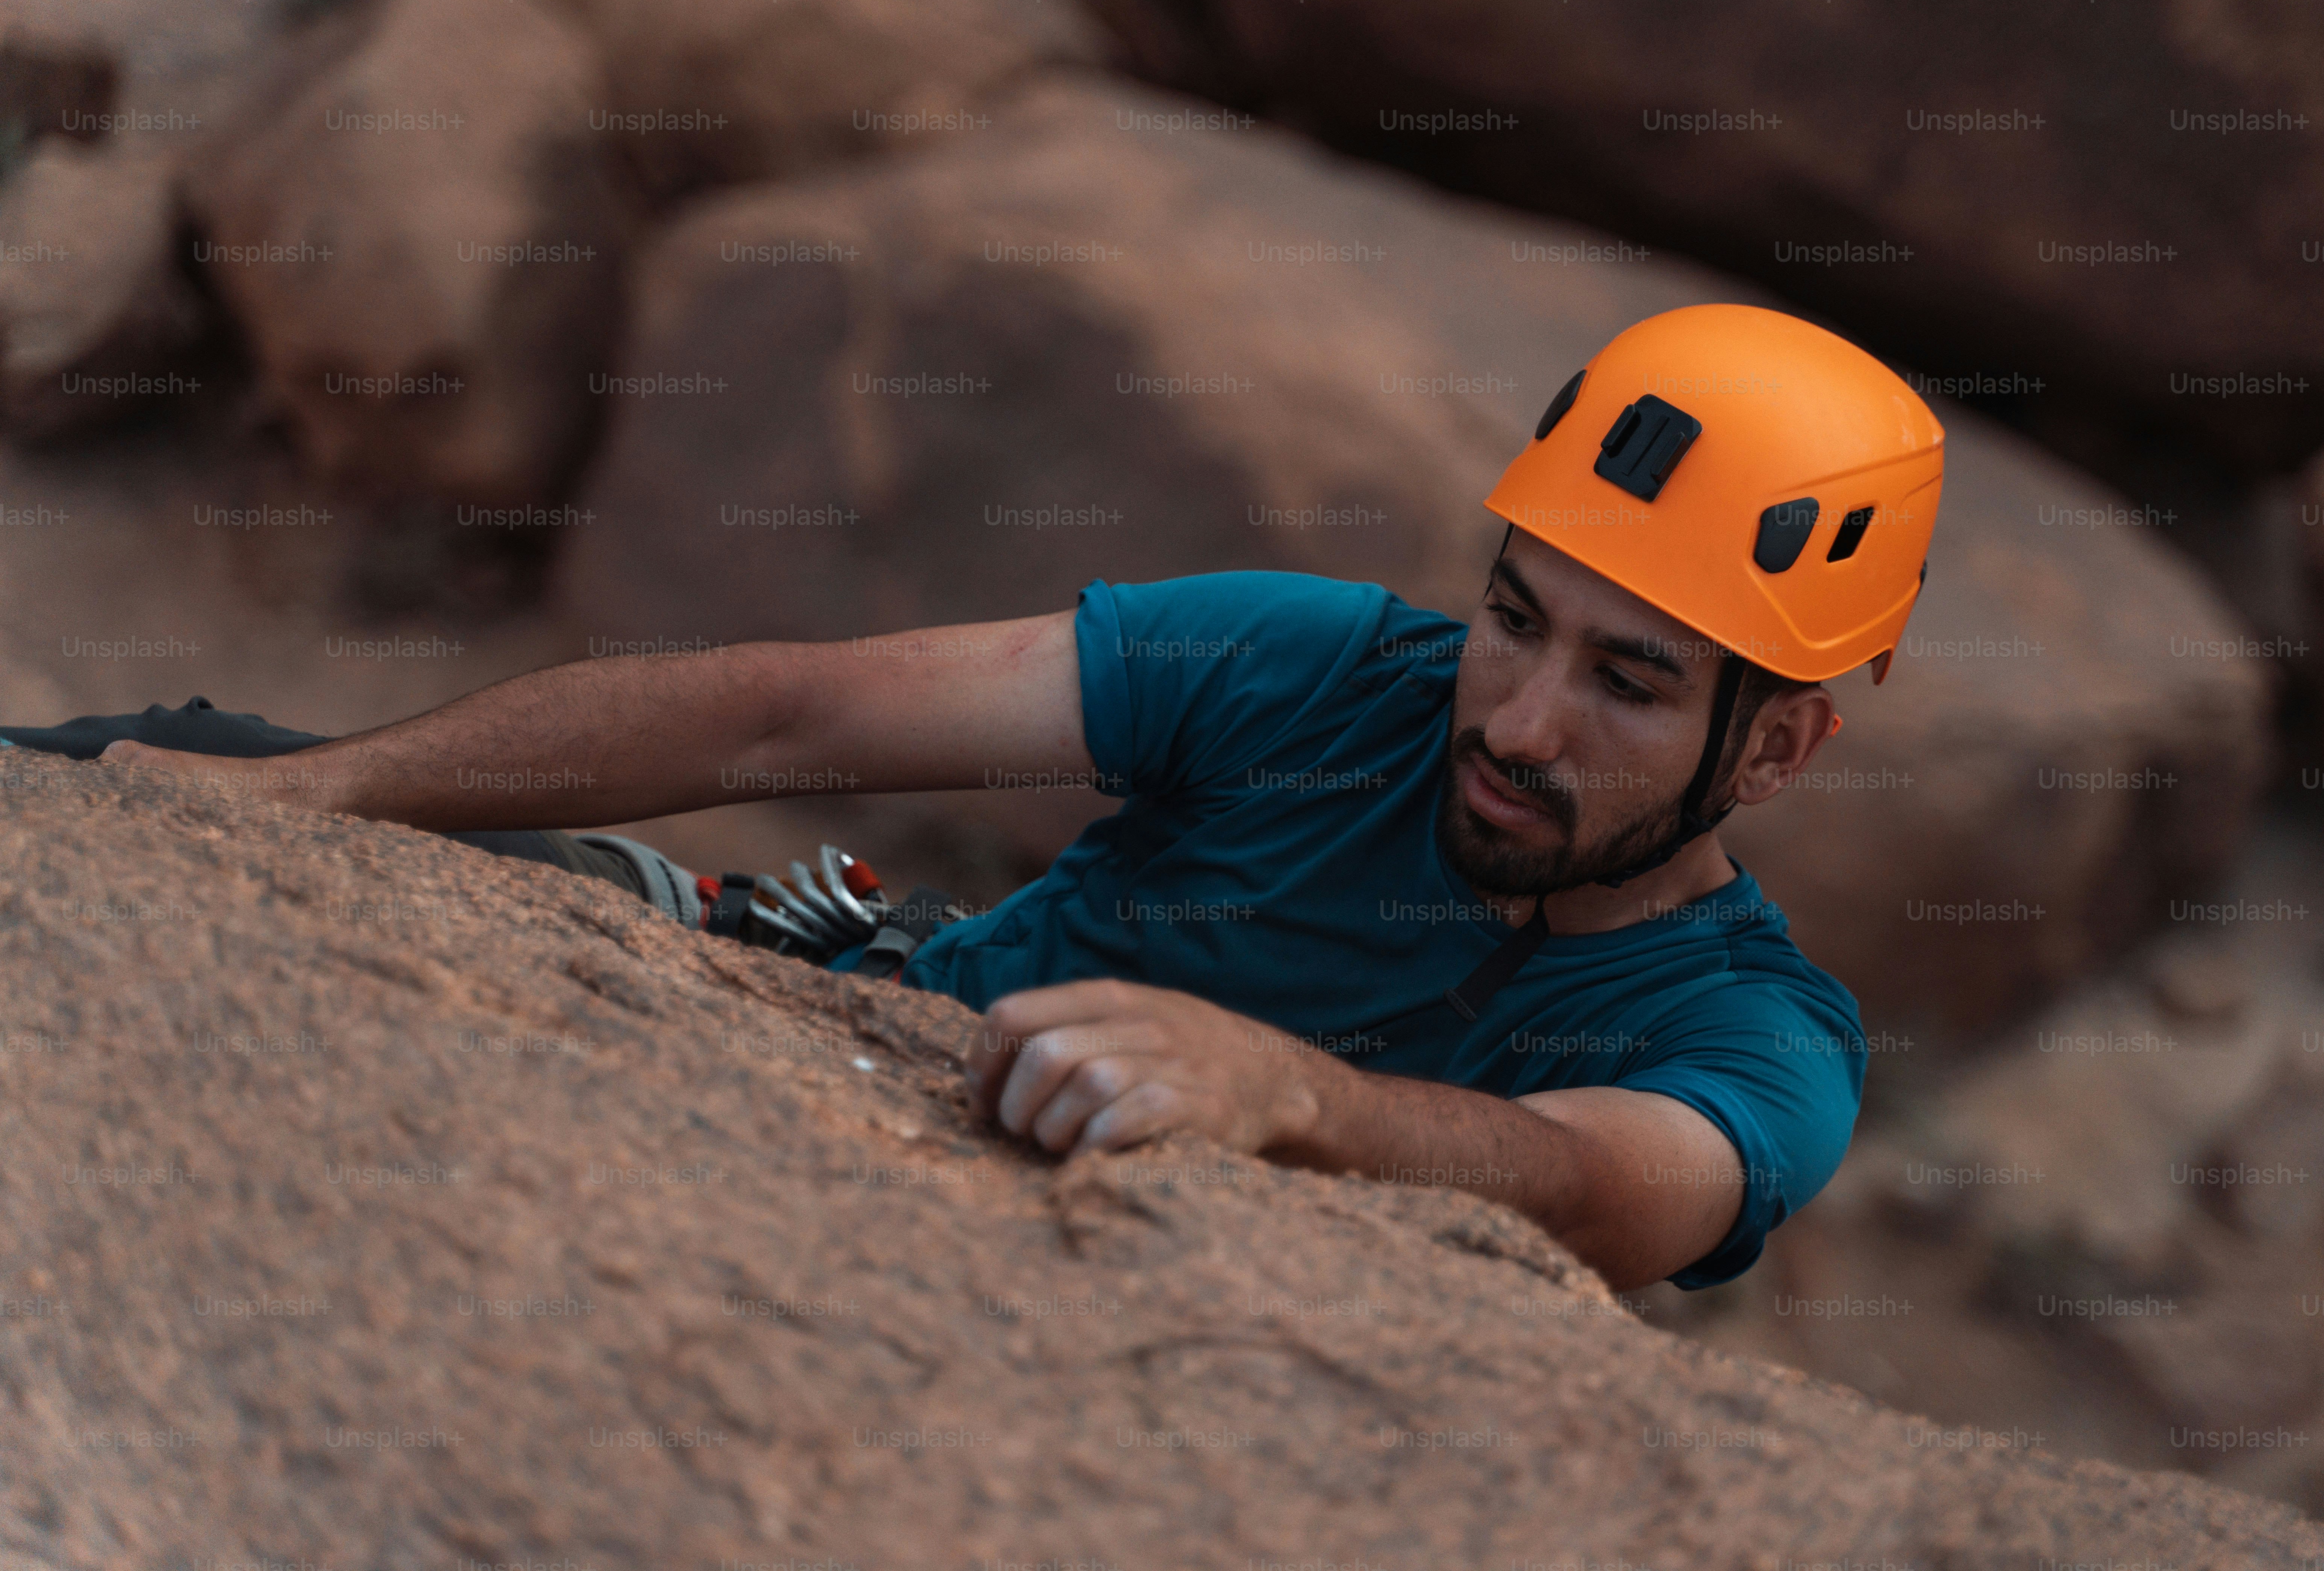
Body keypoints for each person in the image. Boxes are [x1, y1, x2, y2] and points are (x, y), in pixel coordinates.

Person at [5, 304, 1945, 1293]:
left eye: (1628, 678)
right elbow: (782, 721)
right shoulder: (1328, 670)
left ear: (1775, 748)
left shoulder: (1754, 1038)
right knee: (155, 759)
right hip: (867, 1001)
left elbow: (1608, 1190)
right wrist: (302, 805)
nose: (1513, 717)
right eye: (1515, 618)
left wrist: (1293, 1099)